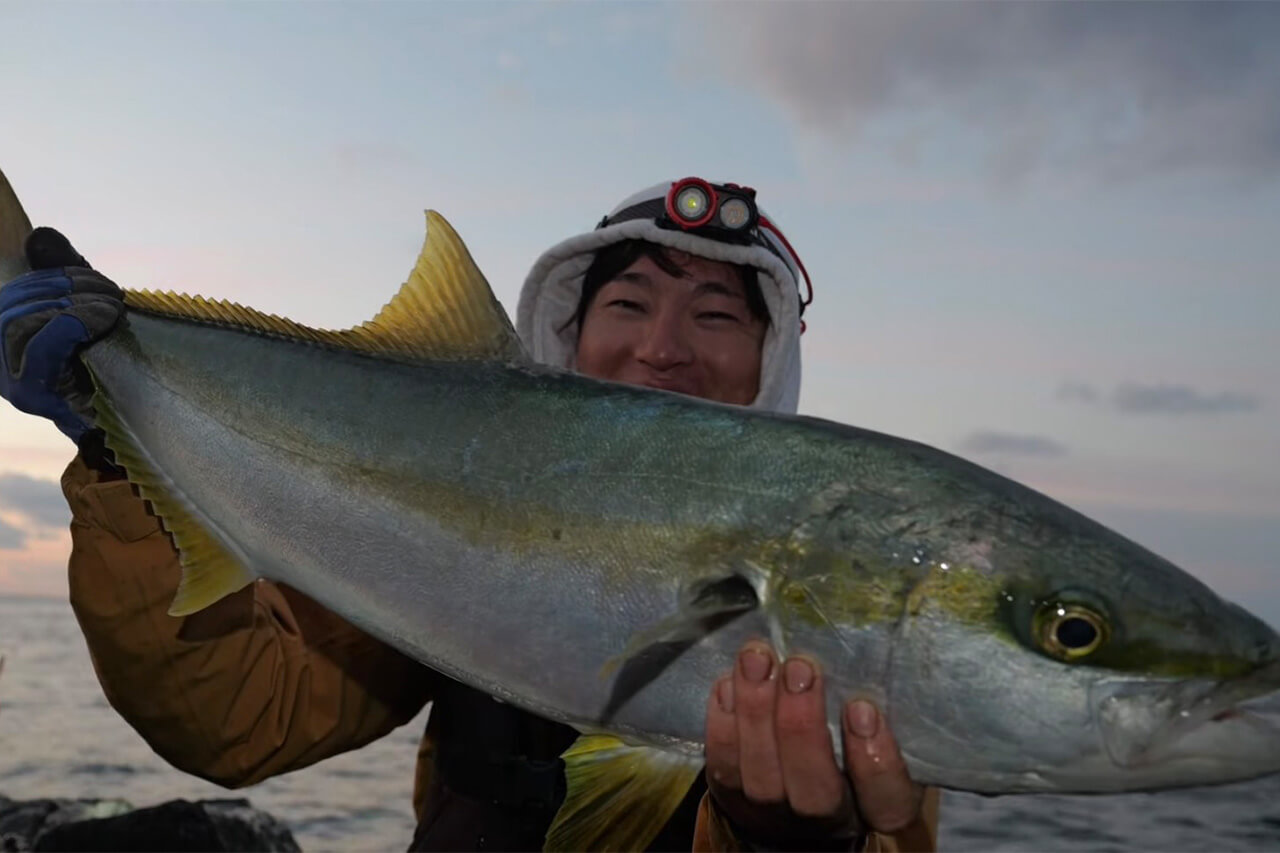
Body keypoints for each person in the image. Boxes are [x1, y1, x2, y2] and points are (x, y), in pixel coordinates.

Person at [0, 177, 939, 851]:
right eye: (629, 301)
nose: (663, 348)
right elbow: (237, 718)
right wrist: (118, 456)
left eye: (717, 317)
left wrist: (783, 838)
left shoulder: (861, 626)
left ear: (771, 369)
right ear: (569, 337)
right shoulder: (435, 529)